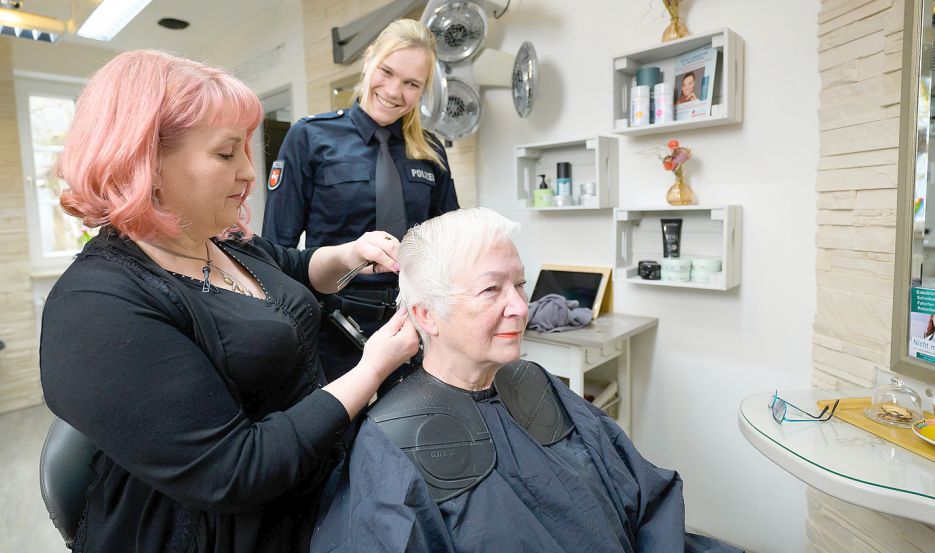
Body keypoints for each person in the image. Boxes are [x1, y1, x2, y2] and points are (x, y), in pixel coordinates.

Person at [39, 50, 419, 553]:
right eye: (226, 154)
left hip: (312, 483)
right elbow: (235, 472)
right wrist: (369, 372)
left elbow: (297, 269)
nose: (248, 173)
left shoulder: (221, 242)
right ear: (145, 163)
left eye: (247, 151)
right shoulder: (97, 306)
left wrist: (351, 253)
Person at [310, 208, 742, 553]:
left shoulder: (534, 382)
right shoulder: (391, 441)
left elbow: (646, 498)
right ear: (425, 314)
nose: (520, 307)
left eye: (519, 284)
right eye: (490, 290)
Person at [262, 19, 459, 386]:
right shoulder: (310, 136)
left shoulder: (431, 151)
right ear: (368, 61)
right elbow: (277, 248)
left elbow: (449, 244)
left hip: (412, 319)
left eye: (412, 84)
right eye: (387, 72)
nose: (394, 91)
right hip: (334, 322)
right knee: (340, 433)